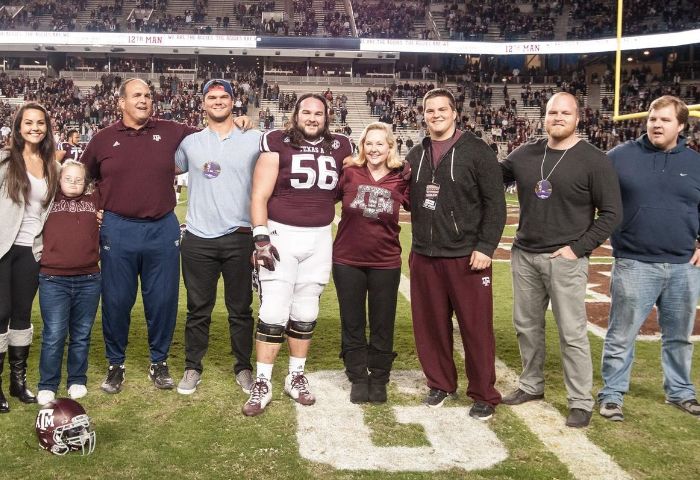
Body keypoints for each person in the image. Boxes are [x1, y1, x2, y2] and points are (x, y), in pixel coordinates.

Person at [81, 78, 250, 394]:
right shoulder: (103, 139)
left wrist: (236, 122)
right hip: (118, 228)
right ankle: (115, 364)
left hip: (162, 227)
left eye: (147, 95)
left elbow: (212, 132)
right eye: (136, 95)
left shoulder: (173, 131)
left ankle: (159, 362)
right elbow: (80, 177)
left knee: (162, 301)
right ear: (121, 102)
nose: (144, 100)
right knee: (116, 300)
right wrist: (94, 207)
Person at [500, 92, 622, 428]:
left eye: (565, 113)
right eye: (552, 112)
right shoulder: (526, 152)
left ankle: (580, 400)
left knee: (571, 332)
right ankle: (531, 384)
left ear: (578, 118)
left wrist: (577, 248)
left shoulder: (594, 159)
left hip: (565, 258)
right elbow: (494, 176)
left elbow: (612, 213)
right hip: (525, 254)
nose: (557, 117)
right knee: (526, 327)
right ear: (544, 116)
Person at [242, 93, 353, 416]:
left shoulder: (341, 145)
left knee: (306, 309)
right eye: (307, 112)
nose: (313, 118)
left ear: (327, 116)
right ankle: (263, 381)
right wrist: (261, 238)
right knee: (274, 309)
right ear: (296, 114)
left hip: (319, 236)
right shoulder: (277, 141)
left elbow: (351, 184)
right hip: (281, 234)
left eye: (319, 113)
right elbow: (259, 193)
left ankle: (296, 375)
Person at [406, 88, 506, 420]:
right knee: (431, 326)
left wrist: (485, 246)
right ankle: (441, 383)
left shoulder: (477, 151)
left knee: (476, 328)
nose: (435, 115)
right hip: (424, 254)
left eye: (441, 109)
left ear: (454, 113)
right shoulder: (416, 154)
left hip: (467, 256)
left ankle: (483, 393)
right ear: (423, 115)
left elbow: (495, 204)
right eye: (429, 110)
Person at [599, 95, 700, 419]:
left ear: (681, 126)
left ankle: (680, 391)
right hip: (634, 262)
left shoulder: (696, 163)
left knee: (679, 337)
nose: (656, 124)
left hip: (684, 265)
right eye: (653, 118)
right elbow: (593, 194)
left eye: (665, 120)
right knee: (621, 334)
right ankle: (612, 394)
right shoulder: (619, 157)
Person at [174, 79, 261, 396]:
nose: (218, 101)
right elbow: (161, 169)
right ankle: (192, 367)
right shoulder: (189, 143)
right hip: (198, 238)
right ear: (203, 103)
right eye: (212, 97)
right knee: (198, 309)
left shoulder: (254, 138)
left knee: (241, 309)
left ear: (234, 102)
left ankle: (244, 368)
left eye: (224, 97)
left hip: (240, 235)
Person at [332, 122, 409, 404]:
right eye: (369, 143)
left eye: (380, 143)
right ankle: (357, 375)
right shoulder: (350, 172)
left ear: (390, 146)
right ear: (362, 146)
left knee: (382, 321)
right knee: (351, 320)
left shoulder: (402, 176)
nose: (374, 148)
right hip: (347, 259)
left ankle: (379, 375)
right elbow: (324, 198)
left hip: (385, 261)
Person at [0, 102, 59, 413]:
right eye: (28, 123)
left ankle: (18, 382)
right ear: (17, 128)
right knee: (1, 312)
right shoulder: (5, 161)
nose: (35, 127)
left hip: (31, 250)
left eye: (40, 123)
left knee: (22, 314)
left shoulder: (52, 165)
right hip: (2, 247)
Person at [36, 160, 101, 406]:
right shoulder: (48, 200)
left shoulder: (94, 203)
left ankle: (77, 379)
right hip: (54, 279)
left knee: (81, 334)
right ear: (59, 180)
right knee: (53, 334)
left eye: (79, 179)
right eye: (68, 178)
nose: (74, 183)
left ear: (86, 183)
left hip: (89, 279)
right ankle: (47, 384)